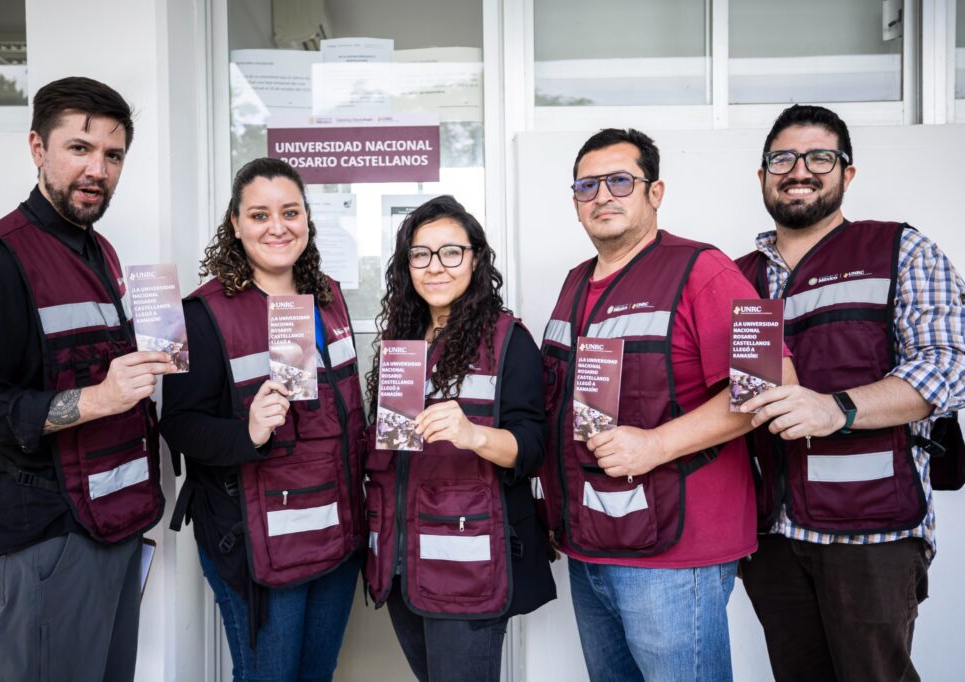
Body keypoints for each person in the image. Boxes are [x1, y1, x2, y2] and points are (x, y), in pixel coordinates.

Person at [534, 128, 795, 682]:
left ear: (655, 193)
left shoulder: (705, 269)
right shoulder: (574, 282)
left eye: (619, 181)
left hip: (676, 557)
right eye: (587, 185)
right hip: (589, 547)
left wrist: (656, 444)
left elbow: (771, 385)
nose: (602, 196)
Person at [0, 77, 170, 682]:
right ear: (37, 148)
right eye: (79, 148)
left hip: (113, 518)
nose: (98, 169)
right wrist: (100, 398)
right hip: (46, 534)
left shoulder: (101, 252)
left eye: (113, 155)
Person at [735, 104, 965, 682]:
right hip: (771, 535)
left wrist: (833, 408)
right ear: (762, 174)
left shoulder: (900, 250)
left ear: (847, 172)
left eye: (820, 157)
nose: (799, 171)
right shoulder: (735, 277)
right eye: (782, 159)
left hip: (873, 530)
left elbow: (950, 365)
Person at [161, 157, 365, 681]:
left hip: (338, 532)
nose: (278, 227)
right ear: (235, 224)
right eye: (259, 215)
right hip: (257, 543)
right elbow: (178, 425)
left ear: (307, 218)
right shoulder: (199, 315)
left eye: (290, 212)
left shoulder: (330, 297)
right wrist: (248, 432)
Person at [363, 195, 555, 682]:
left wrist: (474, 435)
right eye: (421, 254)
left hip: (467, 567)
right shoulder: (402, 342)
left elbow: (534, 447)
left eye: (451, 252)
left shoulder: (508, 340)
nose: (435, 266)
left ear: (475, 259)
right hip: (401, 565)